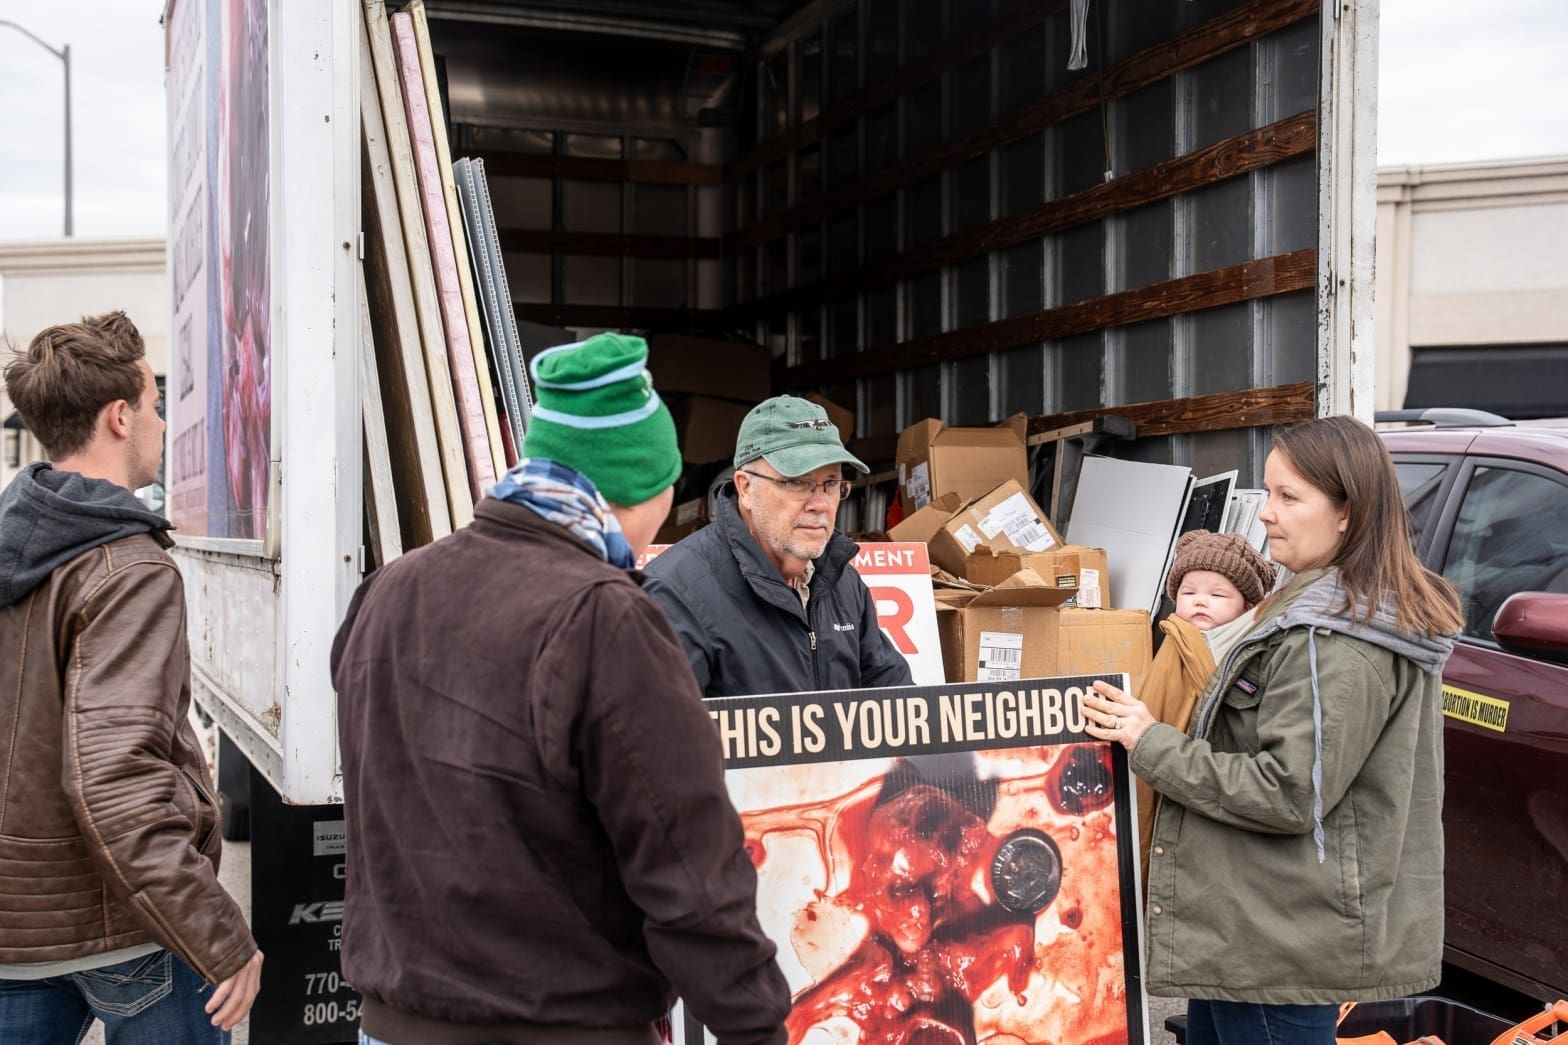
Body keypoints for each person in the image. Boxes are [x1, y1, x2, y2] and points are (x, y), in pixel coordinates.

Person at [331, 333, 790, 1045]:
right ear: (647, 484)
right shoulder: (608, 618)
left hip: (393, 1025)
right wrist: (755, 1026)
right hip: (561, 1025)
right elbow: (689, 868)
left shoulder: (388, 591)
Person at [1083, 416, 1462, 1045]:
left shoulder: (1336, 641)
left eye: (1290, 497)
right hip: (1253, 927)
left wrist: (1148, 740)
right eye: (1268, 492)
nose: (1265, 513)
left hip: (1277, 937)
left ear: (1348, 513)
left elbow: (1288, 790)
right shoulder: (1311, 605)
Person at [0, 312, 263, 1042]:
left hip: (14, 931)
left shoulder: (11, 544)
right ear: (118, 416)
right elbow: (113, 778)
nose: (156, 420)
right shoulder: (129, 568)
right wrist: (218, 932)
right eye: (152, 405)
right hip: (133, 926)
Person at [643, 395, 913, 698]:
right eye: (797, 482)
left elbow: (899, 705)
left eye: (832, 483)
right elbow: (659, 738)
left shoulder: (844, 586)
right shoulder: (675, 594)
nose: (820, 504)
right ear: (746, 488)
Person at [1135, 531, 1278, 878]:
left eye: (1217, 594)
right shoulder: (1174, 640)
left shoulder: (1251, 655)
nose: (1201, 601)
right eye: (1188, 592)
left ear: (1247, 606)